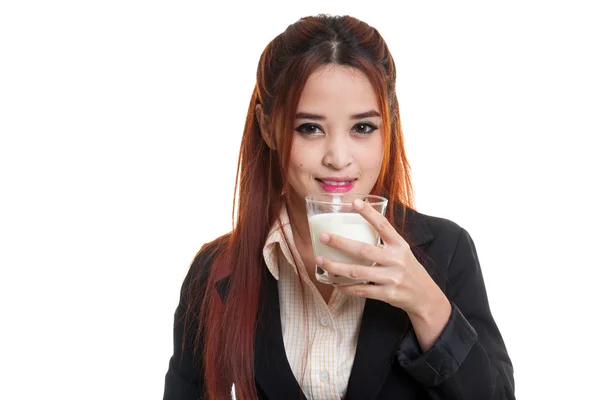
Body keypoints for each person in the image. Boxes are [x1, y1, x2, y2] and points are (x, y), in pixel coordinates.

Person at [163, 14, 515, 400]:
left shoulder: (446, 251)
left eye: (362, 128)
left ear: (389, 128)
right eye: (309, 128)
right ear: (269, 128)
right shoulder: (215, 272)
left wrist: (427, 305)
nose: (338, 157)